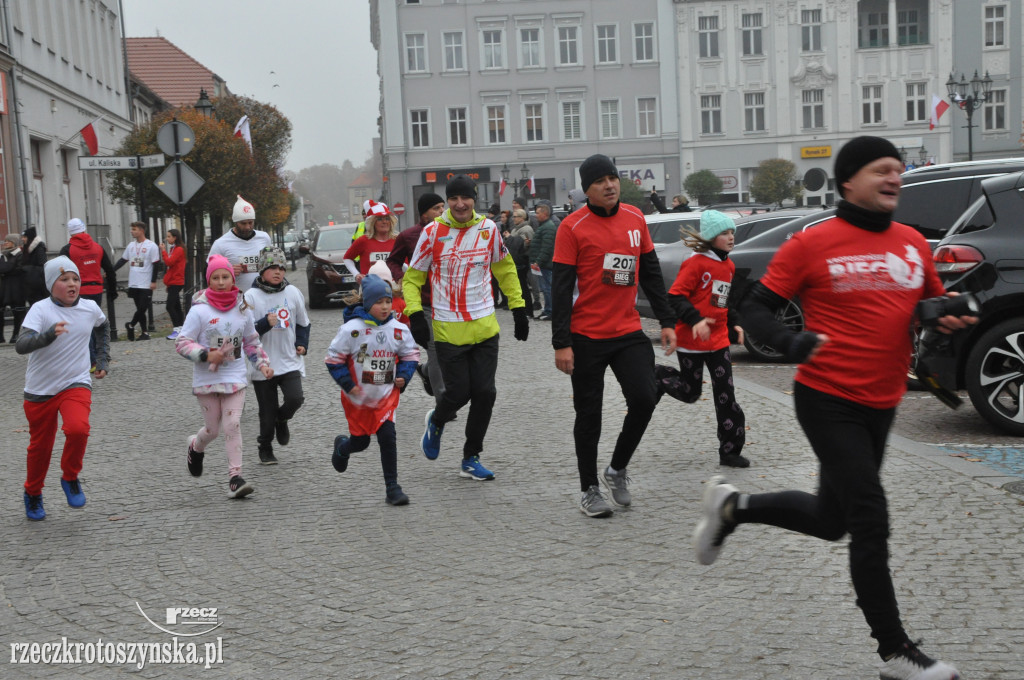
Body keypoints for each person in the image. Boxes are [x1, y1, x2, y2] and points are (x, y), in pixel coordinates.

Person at [696, 136, 972, 680]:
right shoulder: (812, 242)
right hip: (827, 398)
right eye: (881, 170)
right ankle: (895, 653)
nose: (894, 177)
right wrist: (790, 343)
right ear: (848, 180)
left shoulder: (913, 243)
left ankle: (732, 508)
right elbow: (753, 307)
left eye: (898, 169)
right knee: (870, 515)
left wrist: (948, 316)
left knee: (831, 521)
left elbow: (928, 308)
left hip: (883, 399)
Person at [551, 153, 677, 518]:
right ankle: (589, 488)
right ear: (586, 189)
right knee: (588, 414)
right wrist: (562, 343)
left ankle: (617, 469)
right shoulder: (572, 228)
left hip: (627, 331)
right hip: (586, 335)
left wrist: (667, 321)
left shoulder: (636, 217)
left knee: (645, 397)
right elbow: (560, 289)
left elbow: (650, 273)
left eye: (612, 178)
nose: (609, 185)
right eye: (599, 181)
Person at [403, 174, 529, 481]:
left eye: (466, 198)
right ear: (448, 202)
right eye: (454, 199)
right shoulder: (433, 232)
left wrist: (519, 307)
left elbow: (505, 268)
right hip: (448, 328)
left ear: (475, 199)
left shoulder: (488, 229)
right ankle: (437, 419)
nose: (461, 204)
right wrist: (415, 314)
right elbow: (413, 278)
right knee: (457, 392)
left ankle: (471, 457)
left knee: (485, 393)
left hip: (485, 325)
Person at [16, 256, 110, 520]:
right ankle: (33, 494)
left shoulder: (90, 308)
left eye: (75, 279)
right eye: (64, 279)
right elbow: (21, 345)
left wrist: (102, 358)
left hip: (75, 382)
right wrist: (47, 335)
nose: (72, 284)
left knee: (78, 429)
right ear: (50, 285)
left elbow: (103, 327)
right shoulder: (41, 310)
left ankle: (70, 477)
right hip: (40, 389)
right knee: (40, 447)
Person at [657, 210, 749, 468]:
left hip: (718, 341)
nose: (731, 237)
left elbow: (723, 301)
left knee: (725, 395)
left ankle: (730, 451)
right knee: (690, 393)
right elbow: (675, 296)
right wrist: (696, 320)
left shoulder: (728, 266)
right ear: (710, 238)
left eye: (732, 232)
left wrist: (735, 324)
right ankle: (657, 375)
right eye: (724, 233)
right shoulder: (696, 263)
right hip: (691, 342)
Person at [175, 254, 272, 499]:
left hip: (236, 377)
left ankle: (235, 478)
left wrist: (262, 364)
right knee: (212, 430)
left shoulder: (243, 309)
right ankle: (196, 447)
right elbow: (182, 343)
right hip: (207, 380)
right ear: (209, 281)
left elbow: (251, 342)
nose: (220, 282)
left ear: (232, 278)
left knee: (232, 425)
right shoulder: (199, 311)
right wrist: (206, 355)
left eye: (225, 277)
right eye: (215, 277)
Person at [326, 274, 419, 505]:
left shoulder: (399, 329)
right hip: (358, 398)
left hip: (386, 396)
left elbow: (410, 355)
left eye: (388, 301)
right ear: (367, 303)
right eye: (379, 302)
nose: (385, 307)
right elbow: (333, 359)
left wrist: (404, 376)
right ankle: (342, 449)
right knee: (361, 442)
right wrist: (348, 385)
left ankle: (392, 488)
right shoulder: (351, 330)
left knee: (387, 437)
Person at [243, 246, 310, 465]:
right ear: (262, 270)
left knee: (295, 398)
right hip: (263, 363)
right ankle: (265, 447)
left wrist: (301, 344)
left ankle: (283, 419)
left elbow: (303, 323)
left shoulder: (292, 292)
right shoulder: (251, 297)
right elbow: (245, 333)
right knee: (266, 410)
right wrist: (264, 324)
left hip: (289, 359)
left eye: (281, 267)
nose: (277, 271)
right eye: (272, 267)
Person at [386, 192, 447, 404]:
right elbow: (392, 260)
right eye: (436, 208)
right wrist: (402, 277)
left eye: (442, 207)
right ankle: (443, 401)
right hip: (423, 301)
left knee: (449, 350)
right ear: (424, 213)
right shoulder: (409, 235)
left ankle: (425, 370)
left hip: (449, 300)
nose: (442, 212)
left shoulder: (449, 232)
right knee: (435, 350)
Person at [60, 218, 118, 368]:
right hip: (97, 290)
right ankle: (100, 357)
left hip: (78, 291)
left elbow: (60, 272)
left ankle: (92, 360)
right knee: (94, 323)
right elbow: (110, 270)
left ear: (70, 233)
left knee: (83, 326)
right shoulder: (98, 247)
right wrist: (112, 290)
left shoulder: (67, 250)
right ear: (84, 230)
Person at [208, 195, 273, 292]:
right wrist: (228, 271)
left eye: (250, 222)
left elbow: (271, 263)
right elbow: (209, 272)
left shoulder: (264, 237)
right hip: (237, 298)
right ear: (235, 222)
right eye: (243, 223)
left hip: (263, 294)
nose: (247, 227)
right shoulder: (221, 243)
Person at [114, 222, 160, 341]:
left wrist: (153, 281)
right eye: (132, 229)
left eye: (134, 229)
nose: (131, 231)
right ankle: (144, 332)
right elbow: (123, 260)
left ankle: (131, 325)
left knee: (143, 307)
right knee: (139, 308)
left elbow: (156, 264)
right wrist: (111, 270)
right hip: (134, 282)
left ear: (141, 231)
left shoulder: (151, 246)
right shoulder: (130, 245)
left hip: (146, 283)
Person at [343, 201, 397, 281]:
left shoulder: (398, 241)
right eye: (379, 219)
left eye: (387, 218)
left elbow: (405, 264)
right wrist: (356, 274)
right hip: (370, 287)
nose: (384, 222)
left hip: (394, 288)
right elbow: (347, 258)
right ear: (372, 223)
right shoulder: (363, 241)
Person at [504, 209, 535, 318]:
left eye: (516, 216)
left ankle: (528, 310)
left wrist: (509, 238)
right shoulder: (515, 229)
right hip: (514, 261)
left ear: (522, 218)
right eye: (513, 216)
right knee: (518, 288)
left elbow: (518, 245)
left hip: (522, 262)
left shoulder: (526, 229)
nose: (513, 218)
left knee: (523, 287)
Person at [530, 202, 557, 320]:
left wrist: (538, 262)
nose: (535, 215)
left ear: (544, 214)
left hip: (545, 264)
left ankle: (550, 311)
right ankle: (547, 310)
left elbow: (547, 247)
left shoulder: (548, 227)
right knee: (545, 288)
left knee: (547, 289)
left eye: (537, 213)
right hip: (543, 264)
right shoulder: (544, 226)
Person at [0, 234, 27, 343]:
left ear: (15, 243)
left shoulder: (19, 255)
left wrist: (6, 269)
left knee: (18, 312)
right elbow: (6, 268)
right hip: (3, 288)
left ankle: (15, 334)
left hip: (16, 288)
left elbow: (14, 269)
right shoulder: (2, 256)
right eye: (5, 241)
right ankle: (0, 336)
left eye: (8, 241)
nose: (5, 243)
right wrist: (8, 268)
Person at [161, 228, 186, 339]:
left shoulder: (179, 249)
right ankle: (181, 329)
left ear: (175, 237)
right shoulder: (174, 248)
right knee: (176, 306)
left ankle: (177, 329)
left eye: (169, 236)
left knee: (169, 306)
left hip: (177, 281)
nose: (167, 239)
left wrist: (162, 250)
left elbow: (169, 262)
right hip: (173, 281)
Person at [20, 226, 47, 304]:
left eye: (25, 237)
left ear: (30, 238)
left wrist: (26, 269)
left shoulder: (39, 248)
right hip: (30, 285)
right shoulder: (26, 248)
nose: (22, 239)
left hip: (38, 287)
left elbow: (42, 265)